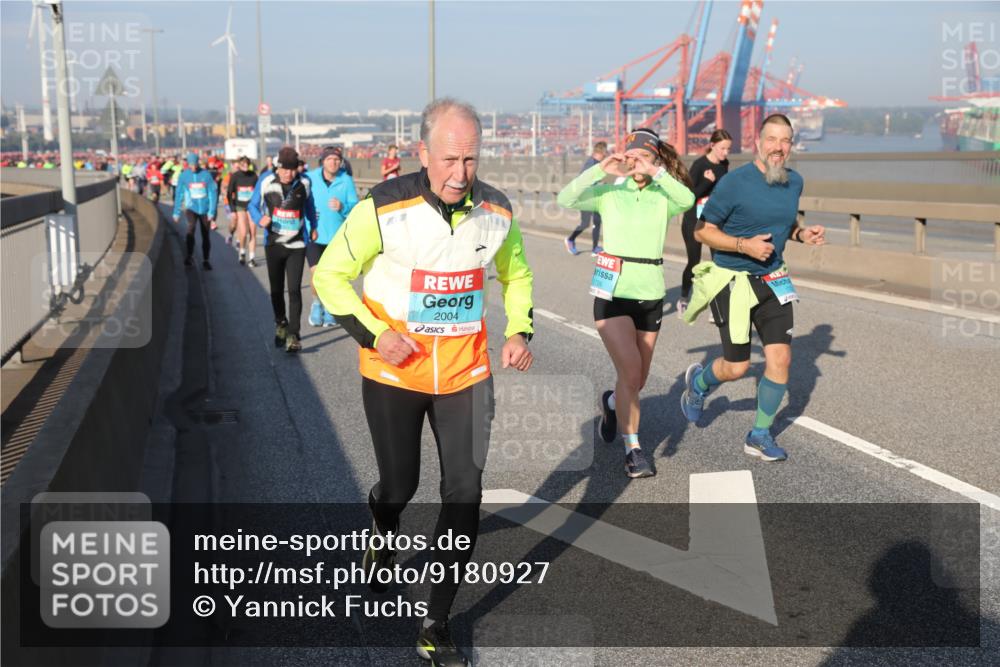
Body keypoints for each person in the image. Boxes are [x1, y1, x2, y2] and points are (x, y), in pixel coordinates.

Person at [313, 98, 534, 667]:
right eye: (449, 160)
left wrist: (520, 329)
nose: (461, 174)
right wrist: (373, 335)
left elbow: (517, 274)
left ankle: (436, 622)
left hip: (466, 374)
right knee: (400, 485)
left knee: (464, 493)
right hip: (395, 370)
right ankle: (382, 527)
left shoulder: (497, 210)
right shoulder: (384, 207)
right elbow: (331, 277)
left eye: (471, 159)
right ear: (423, 154)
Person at [680, 113, 826, 461]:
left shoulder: (794, 182)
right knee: (738, 367)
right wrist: (744, 245)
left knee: (781, 358)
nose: (778, 147)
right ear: (758, 142)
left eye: (785, 140)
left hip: (773, 279)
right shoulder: (734, 183)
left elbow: (785, 222)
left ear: (792, 145)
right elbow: (702, 231)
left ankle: (759, 434)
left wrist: (801, 234)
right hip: (732, 281)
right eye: (772, 139)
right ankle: (698, 385)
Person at [557, 128, 694, 478]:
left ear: (656, 160)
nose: (638, 162)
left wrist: (657, 172)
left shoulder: (664, 196)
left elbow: (689, 199)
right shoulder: (610, 192)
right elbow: (566, 199)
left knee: (637, 379)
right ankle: (633, 448)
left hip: (650, 293)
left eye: (646, 156)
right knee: (631, 372)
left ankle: (612, 404)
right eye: (633, 155)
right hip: (613, 293)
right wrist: (601, 168)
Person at [248, 146, 317, 353]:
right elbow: (252, 205)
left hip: (297, 244)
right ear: (277, 168)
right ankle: (281, 323)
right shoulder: (266, 181)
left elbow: (310, 206)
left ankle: (294, 335)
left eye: (292, 169)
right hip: (274, 244)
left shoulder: (304, 182)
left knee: (294, 290)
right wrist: (260, 219)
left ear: (297, 169)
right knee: (276, 291)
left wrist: (313, 225)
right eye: (284, 169)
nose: (288, 173)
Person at [678, 129, 732, 317]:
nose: (725, 153)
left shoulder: (724, 164)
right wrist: (707, 182)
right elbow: (689, 197)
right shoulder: (700, 165)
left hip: (714, 222)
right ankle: (684, 298)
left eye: (728, 149)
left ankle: (716, 306)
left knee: (719, 263)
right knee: (694, 262)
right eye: (722, 148)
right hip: (694, 221)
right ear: (712, 145)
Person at [305, 146, 358, 326]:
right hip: (314, 235)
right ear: (323, 161)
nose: (333, 163)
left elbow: (355, 207)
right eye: (329, 159)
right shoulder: (310, 178)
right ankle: (316, 303)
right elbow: (299, 200)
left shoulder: (346, 180)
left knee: (332, 277)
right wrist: (308, 215)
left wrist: (342, 206)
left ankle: (329, 308)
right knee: (316, 274)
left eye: (337, 160)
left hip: (336, 238)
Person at [172, 152, 220, 270]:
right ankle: (189, 256)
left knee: (205, 234)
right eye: (190, 165)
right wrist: (176, 212)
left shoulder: (206, 175)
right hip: (191, 208)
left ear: (198, 163)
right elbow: (179, 194)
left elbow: (213, 194)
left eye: (195, 165)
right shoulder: (184, 176)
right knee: (191, 228)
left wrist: (211, 212)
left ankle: (206, 260)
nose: (193, 168)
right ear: (188, 164)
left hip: (205, 209)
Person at [564, 141, 608, 256]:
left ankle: (595, 248)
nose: (606, 154)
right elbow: (583, 181)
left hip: (592, 197)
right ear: (602, 152)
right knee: (585, 223)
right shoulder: (591, 163)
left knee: (597, 221)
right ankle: (570, 239)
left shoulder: (595, 163)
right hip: (584, 197)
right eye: (606, 152)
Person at [226, 156, 260, 266]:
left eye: (247, 164)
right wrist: (232, 209)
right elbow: (229, 193)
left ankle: (252, 258)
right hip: (240, 207)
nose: (245, 166)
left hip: (252, 207)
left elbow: (259, 192)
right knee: (244, 232)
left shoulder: (253, 176)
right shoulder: (235, 176)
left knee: (253, 232)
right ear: (239, 165)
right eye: (243, 164)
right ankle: (242, 252)